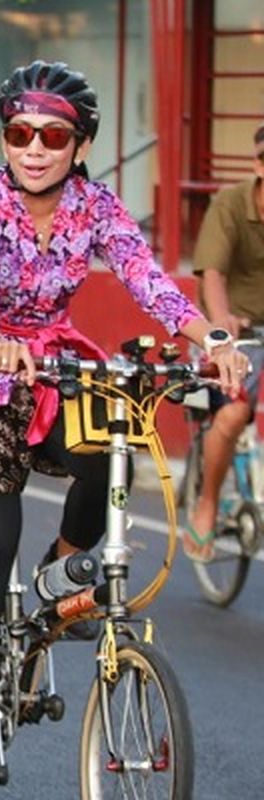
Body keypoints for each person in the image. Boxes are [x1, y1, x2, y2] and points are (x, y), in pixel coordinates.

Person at [0, 60, 248, 783]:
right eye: (19, 132)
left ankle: (61, 570)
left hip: (55, 373)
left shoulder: (98, 208)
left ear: (80, 145)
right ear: (5, 139)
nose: (33, 147)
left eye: (52, 136)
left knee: (112, 451)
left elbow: (146, 277)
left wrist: (208, 341)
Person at [185, 122, 264, 562]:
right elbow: (212, 273)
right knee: (233, 413)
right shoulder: (230, 204)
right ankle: (207, 504)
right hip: (234, 334)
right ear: (258, 164)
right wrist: (220, 330)